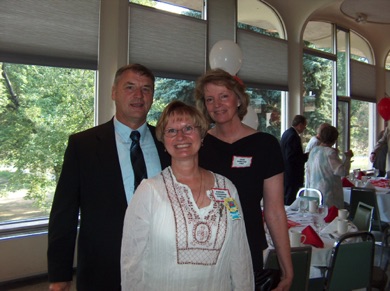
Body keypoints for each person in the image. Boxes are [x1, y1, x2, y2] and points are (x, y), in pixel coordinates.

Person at [47, 64, 170, 291]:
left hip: (163, 265)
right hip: (103, 269)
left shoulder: (168, 143)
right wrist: (59, 273)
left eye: (146, 89)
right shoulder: (82, 145)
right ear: (114, 92)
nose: (138, 95)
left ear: (152, 96)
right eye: (129, 87)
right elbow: (64, 213)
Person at [121, 100, 254, 290]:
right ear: (164, 142)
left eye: (188, 128)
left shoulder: (227, 189)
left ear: (201, 136)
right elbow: (131, 262)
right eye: (172, 131)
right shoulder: (149, 191)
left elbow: (239, 251)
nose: (180, 136)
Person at [195, 69, 293, 291]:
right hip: (204, 249)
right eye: (210, 99)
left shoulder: (265, 145)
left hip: (247, 248)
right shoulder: (199, 145)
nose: (217, 104)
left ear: (238, 99)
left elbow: (275, 211)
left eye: (224, 96)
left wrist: (287, 270)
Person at [306, 125, 353, 208]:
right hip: (328, 194)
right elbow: (342, 171)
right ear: (334, 140)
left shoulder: (313, 151)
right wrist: (348, 158)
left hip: (314, 192)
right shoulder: (330, 153)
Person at [280, 115, 309, 205]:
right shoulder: (293, 136)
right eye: (304, 125)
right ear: (300, 124)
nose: (304, 128)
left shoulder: (286, 133)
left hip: (286, 173)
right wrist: (306, 156)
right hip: (292, 175)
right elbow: (292, 157)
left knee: (286, 198)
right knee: (290, 200)